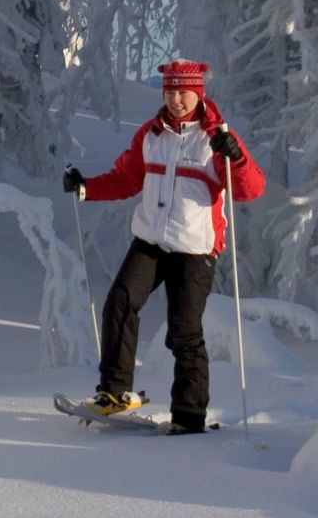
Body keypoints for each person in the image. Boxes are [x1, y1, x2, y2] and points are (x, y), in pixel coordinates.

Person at [61, 59, 265, 435]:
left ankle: (189, 418)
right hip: (151, 241)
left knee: (184, 332)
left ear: (197, 93)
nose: (175, 100)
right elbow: (125, 178)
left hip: (195, 249)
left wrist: (234, 155)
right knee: (120, 302)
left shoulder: (214, 138)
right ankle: (115, 393)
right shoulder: (151, 135)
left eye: (182, 93)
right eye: (169, 92)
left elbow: (250, 188)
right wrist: (87, 187)